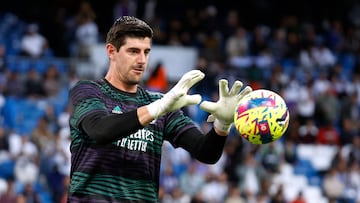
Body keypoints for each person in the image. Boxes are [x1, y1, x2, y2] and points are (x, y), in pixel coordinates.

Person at [67, 16, 252, 202]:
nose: (142, 60)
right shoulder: (88, 91)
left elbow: (206, 153)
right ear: (111, 51)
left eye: (146, 52)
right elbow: (101, 130)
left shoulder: (161, 103)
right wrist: (158, 108)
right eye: (133, 51)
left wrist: (222, 126)